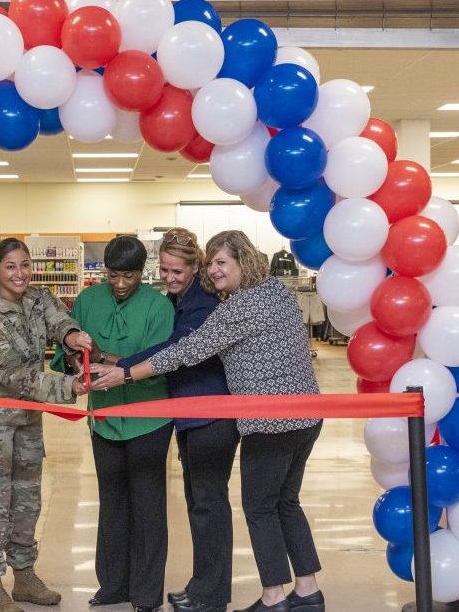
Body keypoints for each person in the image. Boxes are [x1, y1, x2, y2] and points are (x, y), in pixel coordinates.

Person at [93, 231, 324, 612]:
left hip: (270, 421)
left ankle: (274, 597)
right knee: (286, 502)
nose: (214, 271)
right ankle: (307, 589)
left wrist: (127, 371)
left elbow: (187, 351)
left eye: (222, 263)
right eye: (212, 262)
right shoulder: (277, 292)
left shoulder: (237, 307)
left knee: (260, 507)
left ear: (243, 262)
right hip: (307, 416)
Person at [0, 238, 94, 612]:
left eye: (25, 265)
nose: (19, 274)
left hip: (26, 422)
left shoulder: (37, 296)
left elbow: (58, 319)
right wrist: (69, 385)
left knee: (26, 500)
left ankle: (24, 575)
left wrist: (71, 337)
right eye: (10, 267)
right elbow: (14, 375)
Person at [116, 228, 237, 612]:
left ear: (195, 266)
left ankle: (211, 594)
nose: (169, 278)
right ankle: (203, 586)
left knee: (209, 504)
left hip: (211, 416)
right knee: (198, 503)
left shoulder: (202, 304)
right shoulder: (180, 299)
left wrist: (122, 367)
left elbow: (176, 350)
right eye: (165, 270)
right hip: (189, 416)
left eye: (177, 271)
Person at [71, 235, 175, 612]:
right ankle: (113, 585)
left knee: (147, 506)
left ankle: (147, 594)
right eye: (113, 275)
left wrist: (108, 358)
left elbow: (159, 363)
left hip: (149, 420)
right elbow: (69, 352)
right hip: (104, 421)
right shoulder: (87, 300)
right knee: (111, 502)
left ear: (141, 273)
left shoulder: (159, 307)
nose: (119, 284)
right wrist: (77, 366)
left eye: (128, 276)